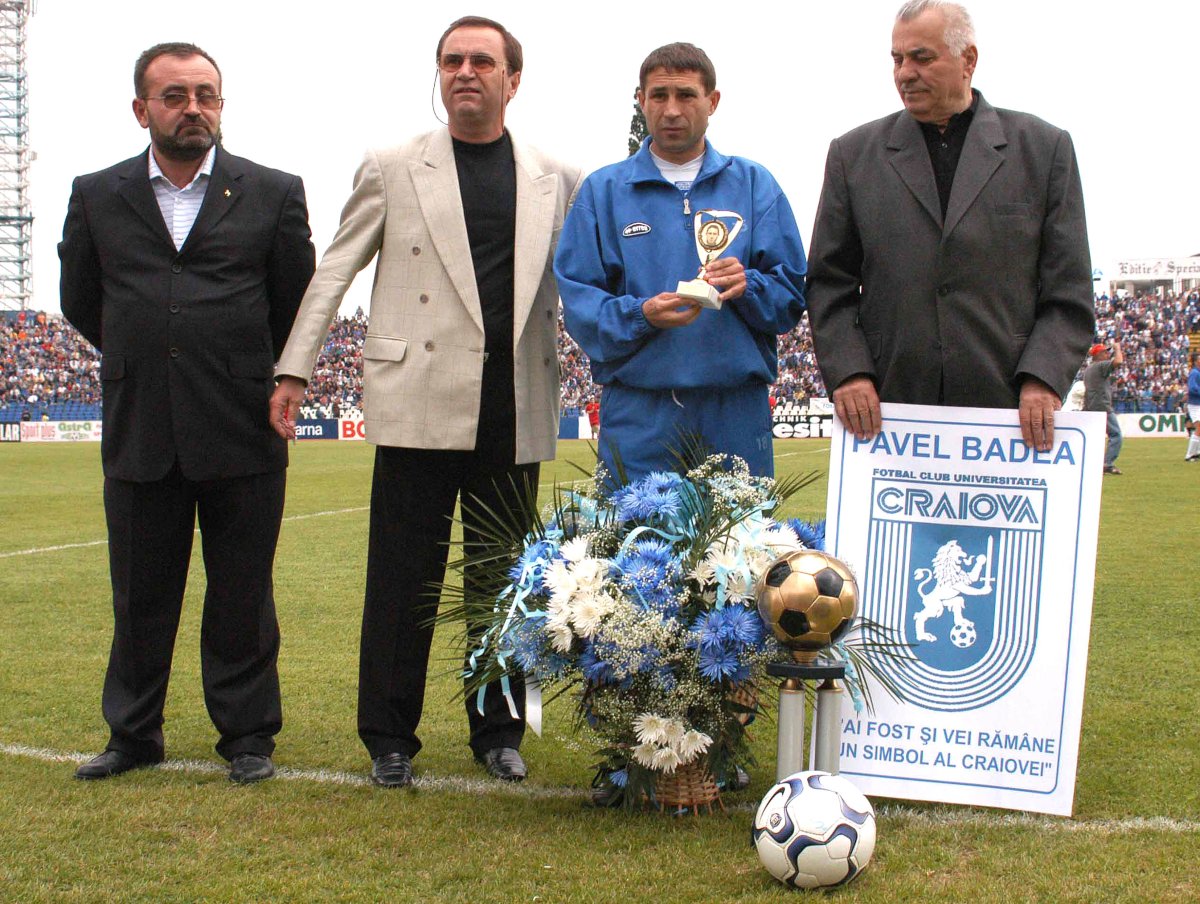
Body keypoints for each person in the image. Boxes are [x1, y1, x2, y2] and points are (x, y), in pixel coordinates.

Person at [270, 17, 582, 788]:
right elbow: (333, 272)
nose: (465, 71)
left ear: (514, 79)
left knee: (503, 582)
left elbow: (589, 281)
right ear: (437, 74)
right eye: (452, 60)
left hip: (513, 403)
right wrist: (294, 370)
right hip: (417, 398)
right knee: (403, 578)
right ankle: (389, 736)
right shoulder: (392, 165)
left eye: (482, 60)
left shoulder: (556, 175)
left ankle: (499, 732)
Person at [58, 42, 316, 783]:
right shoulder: (97, 193)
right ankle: (133, 734)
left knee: (242, 594)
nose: (193, 107)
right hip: (141, 422)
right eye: (174, 96)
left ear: (221, 106)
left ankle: (247, 738)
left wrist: (237, 364)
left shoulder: (271, 190)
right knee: (140, 595)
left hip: (243, 422)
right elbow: (83, 299)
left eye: (206, 94)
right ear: (142, 110)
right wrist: (148, 349)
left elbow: (292, 300)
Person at [805, 0, 1094, 452]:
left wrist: (1043, 377)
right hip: (889, 415)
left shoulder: (1043, 149)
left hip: (1006, 412)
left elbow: (1069, 291)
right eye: (897, 59)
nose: (904, 73)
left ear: (969, 61)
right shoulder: (853, 155)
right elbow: (828, 284)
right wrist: (849, 371)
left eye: (922, 57)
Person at [554, 42, 806, 484]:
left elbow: (791, 296)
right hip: (638, 411)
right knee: (634, 548)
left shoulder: (754, 185)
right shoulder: (603, 192)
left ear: (712, 102)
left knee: (742, 550)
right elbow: (579, 302)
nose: (672, 110)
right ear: (641, 100)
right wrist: (640, 314)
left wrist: (748, 284)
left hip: (735, 411)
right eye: (659, 95)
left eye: (686, 95)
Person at [1083, 342, 1123, 474]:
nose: (1108, 354)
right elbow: (1118, 361)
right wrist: (1117, 348)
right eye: (1105, 352)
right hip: (1102, 406)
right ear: (1098, 354)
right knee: (1116, 434)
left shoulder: (1089, 368)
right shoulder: (1100, 366)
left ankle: (1091, 462)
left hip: (1091, 405)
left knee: (1094, 437)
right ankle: (1107, 463)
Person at [1186, 354, 1200, 462]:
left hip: (1197, 403)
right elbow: (1192, 388)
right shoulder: (1194, 373)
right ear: (1196, 361)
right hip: (1195, 404)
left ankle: (1196, 452)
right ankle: (1190, 455)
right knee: (1199, 428)